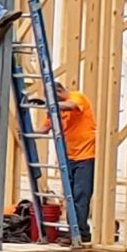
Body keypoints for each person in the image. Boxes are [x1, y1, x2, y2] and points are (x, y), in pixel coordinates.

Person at [48, 80, 96, 241]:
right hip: (68, 158)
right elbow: (45, 128)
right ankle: (75, 231)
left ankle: (79, 233)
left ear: (60, 91)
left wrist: (52, 104)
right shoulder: (57, 108)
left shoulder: (77, 97)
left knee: (80, 195)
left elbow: (71, 106)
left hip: (86, 156)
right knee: (69, 196)